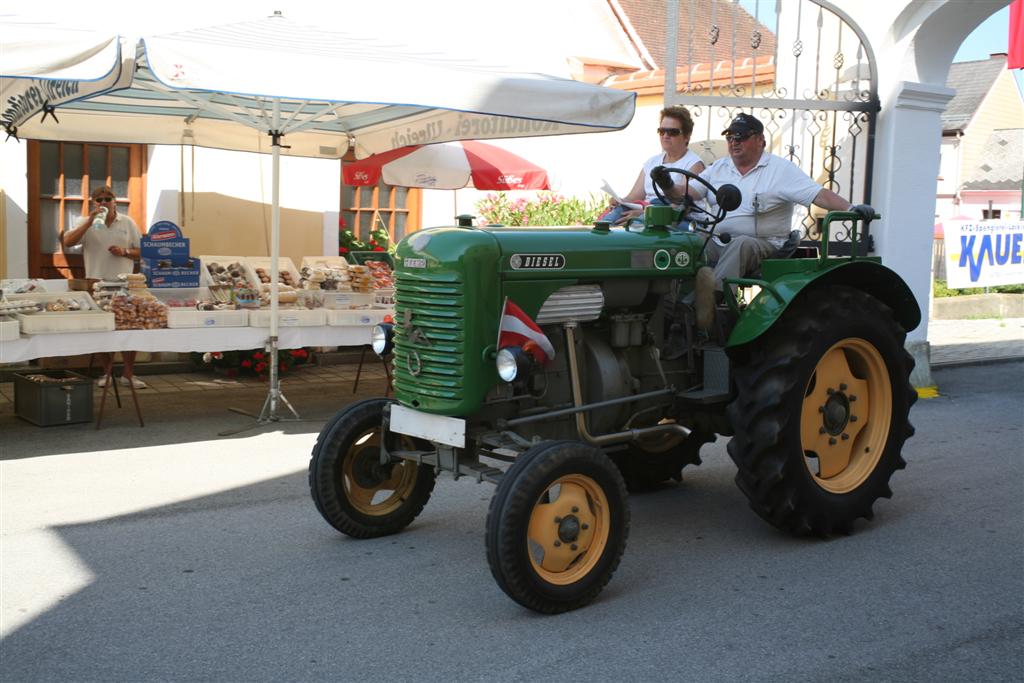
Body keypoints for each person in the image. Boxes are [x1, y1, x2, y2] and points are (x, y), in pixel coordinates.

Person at [656, 112, 872, 289]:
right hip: (717, 240)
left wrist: (851, 207)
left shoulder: (779, 169)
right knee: (688, 243)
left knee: (740, 243)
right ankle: (672, 302)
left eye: (741, 137)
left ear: (760, 140)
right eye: (730, 137)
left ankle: (714, 300)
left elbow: (818, 194)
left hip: (764, 244)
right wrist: (666, 183)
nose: (734, 142)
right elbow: (685, 194)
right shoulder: (720, 167)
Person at [62, 186, 147, 389]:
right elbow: (67, 242)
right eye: (99, 199)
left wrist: (124, 251)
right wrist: (90, 220)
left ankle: (128, 374)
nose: (103, 202)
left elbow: (142, 251)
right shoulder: (86, 222)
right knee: (101, 328)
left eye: (107, 199)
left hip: (123, 282)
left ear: (115, 201)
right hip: (96, 283)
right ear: (93, 203)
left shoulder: (127, 222)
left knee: (128, 327)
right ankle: (107, 373)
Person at [600, 105, 705, 226]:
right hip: (649, 211)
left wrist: (644, 214)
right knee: (613, 216)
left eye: (672, 132)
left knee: (634, 223)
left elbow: (681, 207)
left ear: (687, 136)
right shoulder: (652, 162)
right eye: (662, 131)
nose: (665, 135)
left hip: (680, 219)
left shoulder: (694, 164)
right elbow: (634, 196)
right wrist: (619, 201)